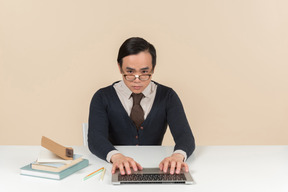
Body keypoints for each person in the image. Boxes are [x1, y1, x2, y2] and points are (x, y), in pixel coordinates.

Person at [88, 37, 195, 175]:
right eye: (130, 72)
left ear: (153, 68)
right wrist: (116, 157)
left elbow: (185, 136)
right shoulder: (102, 97)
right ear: (119, 67)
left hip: (156, 166)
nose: (137, 80)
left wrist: (177, 156)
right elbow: (95, 139)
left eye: (144, 72)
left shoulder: (167, 96)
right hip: (115, 167)